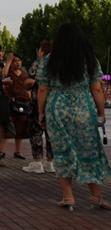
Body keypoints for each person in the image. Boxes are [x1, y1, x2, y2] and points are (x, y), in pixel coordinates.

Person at [37, 23, 110, 210]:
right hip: (83, 108)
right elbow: (96, 89)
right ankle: (96, 196)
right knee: (90, 150)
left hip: (57, 108)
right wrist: (101, 112)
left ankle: (68, 197)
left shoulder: (48, 61)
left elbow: (43, 88)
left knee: (62, 151)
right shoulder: (90, 60)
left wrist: (41, 112)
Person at [22, 40, 55, 173]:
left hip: (38, 102)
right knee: (51, 133)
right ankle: (50, 162)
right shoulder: (59, 63)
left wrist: (30, 82)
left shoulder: (39, 63)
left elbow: (32, 83)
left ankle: (37, 162)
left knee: (35, 131)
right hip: (54, 102)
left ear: (43, 51)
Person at [2, 53, 29, 159]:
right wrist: (8, 61)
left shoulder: (24, 74)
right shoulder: (8, 72)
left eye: (18, 60)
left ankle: (18, 151)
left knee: (20, 128)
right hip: (10, 102)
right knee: (8, 126)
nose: (17, 63)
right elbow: (3, 75)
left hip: (23, 103)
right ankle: (2, 150)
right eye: (14, 61)